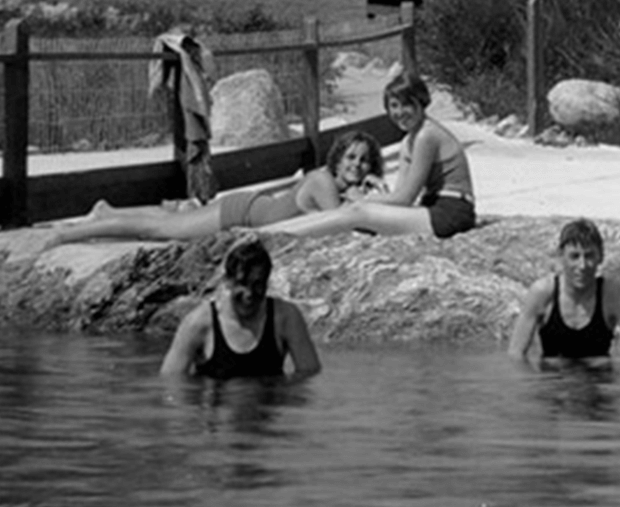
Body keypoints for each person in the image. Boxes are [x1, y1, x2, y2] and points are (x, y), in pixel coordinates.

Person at [50, 131, 385, 244]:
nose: (357, 165)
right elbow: (341, 225)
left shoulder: (336, 187)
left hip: (251, 209)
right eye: (351, 157)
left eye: (365, 161)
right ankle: (68, 235)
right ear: (337, 158)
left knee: (170, 221)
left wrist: (363, 195)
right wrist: (362, 199)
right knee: (159, 231)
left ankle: (107, 212)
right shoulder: (323, 181)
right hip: (240, 213)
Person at [262, 72, 476, 239]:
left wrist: (365, 199)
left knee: (359, 213)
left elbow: (404, 199)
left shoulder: (426, 136)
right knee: (356, 211)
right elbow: (400, 195)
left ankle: (270, 235)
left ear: (421, 102)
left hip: (451, 214)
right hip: (432, 208)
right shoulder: (408, 141)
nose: (400, 112)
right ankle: (268, 232)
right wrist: (374, 192)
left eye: (407, 104)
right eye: (394, 106)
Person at [160, 237, 321, 380]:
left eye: (257, 285)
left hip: (266, 410)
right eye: (242, 283)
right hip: (217, 410)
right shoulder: (198, 323)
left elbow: (308, 374)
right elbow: (172, 383)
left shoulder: (285, 317)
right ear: (227, 281)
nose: (249, 293)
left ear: (267, 283)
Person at [508, 218, 620, 365]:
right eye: (574, 256)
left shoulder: (612, 294)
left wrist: (615, 369)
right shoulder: (542, 292)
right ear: (561, 256)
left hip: (598, 382)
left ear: (600, 256)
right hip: (553, 382)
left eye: (589, 256)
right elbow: (516, 353)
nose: (582, 265)